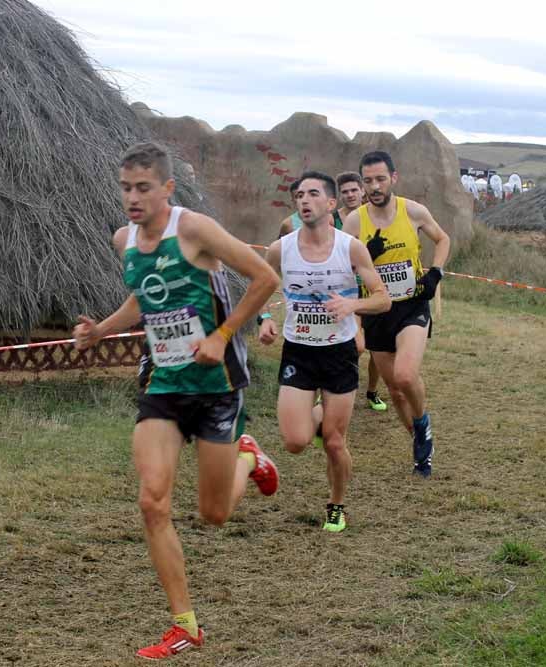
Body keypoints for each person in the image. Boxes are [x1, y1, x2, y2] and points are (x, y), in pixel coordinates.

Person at [73, 142, 281, 660]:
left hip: (216, 389)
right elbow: (144, 298)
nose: (132, 198)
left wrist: (223, 334)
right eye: (125, 188)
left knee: (212, 515)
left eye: (143, 188)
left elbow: (265, 278)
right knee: (151, 501)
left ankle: (248, 456)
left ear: (168, 188)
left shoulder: (195, 230)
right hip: (164, 386)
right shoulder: (124, 240)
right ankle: (185, 625)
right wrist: (101, 330)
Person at [258, 171, 390, 532]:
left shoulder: (349, 247)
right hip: (298, 353)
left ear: (331, 204)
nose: (304, 200)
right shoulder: (279, 249)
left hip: (339, 354)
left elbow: (383, 299)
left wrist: (353, 307)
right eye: (299, 194)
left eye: (313, 194)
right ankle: (317, 415)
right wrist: (265, 318)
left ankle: (336, 504)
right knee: (295, 442)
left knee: (334, 442)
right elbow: (261, 287)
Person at [342, 151, 451, 478]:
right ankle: (420, 440)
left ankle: (422, 423)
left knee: (405, 375)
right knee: (393, 388)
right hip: (377, 310)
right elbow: (344, 267)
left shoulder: (413, 211)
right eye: (368, 181)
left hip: (411, 305)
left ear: (393, 178)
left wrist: (436, 273)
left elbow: (442, 238)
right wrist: (363, 257)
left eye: (380, 179)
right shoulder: (354, 221)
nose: (374, 186)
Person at [336, 171, 387, 413]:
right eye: (344, 191)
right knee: (354, 345)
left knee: (378, 347)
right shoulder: (333, 220)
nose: (350, 195)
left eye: (354, 190)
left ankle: (372, 391)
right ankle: (336, 388)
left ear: (362, 191)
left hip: (374, 289)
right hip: (346, 291)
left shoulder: (374, 216)